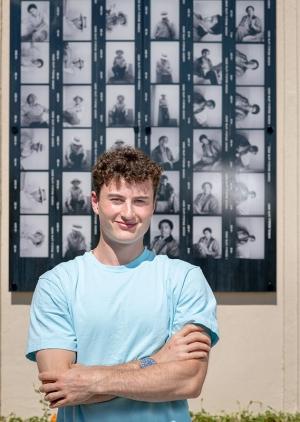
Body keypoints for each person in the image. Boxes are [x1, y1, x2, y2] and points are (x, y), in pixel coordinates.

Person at [26, 146, 219, 422]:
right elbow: (61, 387)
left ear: (153, 205)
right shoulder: (58, 284)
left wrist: (90, 380)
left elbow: (188, 381)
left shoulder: (184, 279)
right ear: (95, 202)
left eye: (140, 201)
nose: (128, 213)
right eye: (116, 199)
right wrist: (158, 360)